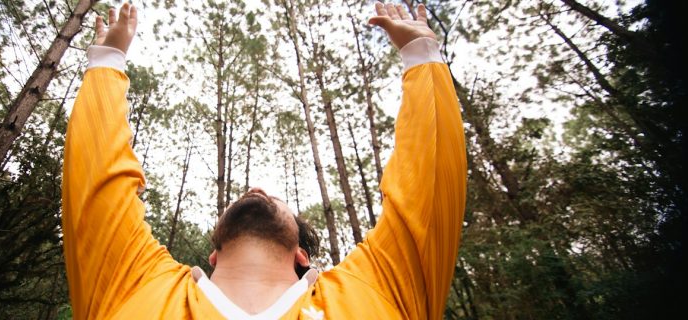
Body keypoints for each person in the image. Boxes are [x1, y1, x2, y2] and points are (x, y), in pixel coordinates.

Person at [60, 1, 467, 319]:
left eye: (267, 194)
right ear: (213, 255)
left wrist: (422, 54)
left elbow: (425, 190)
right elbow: (99, 188)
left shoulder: (376, 288)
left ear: (302, 258)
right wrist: (106, 62)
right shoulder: (137, 283)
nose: (254, 189)